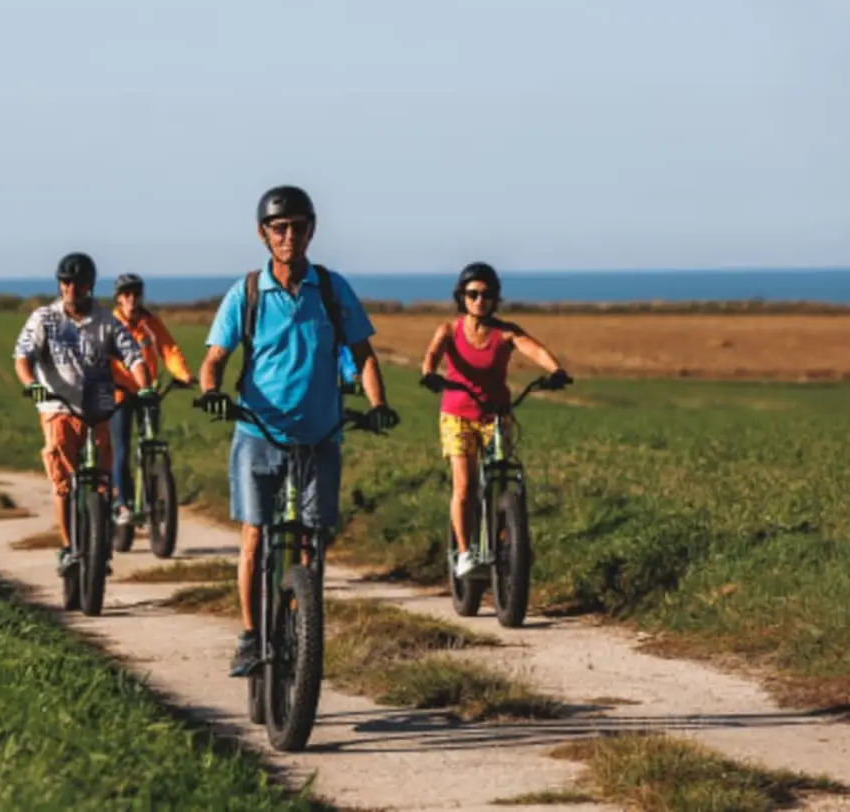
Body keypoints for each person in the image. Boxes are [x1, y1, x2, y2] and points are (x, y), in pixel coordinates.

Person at [197, 185, 401, 676]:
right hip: (258, 434)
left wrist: (377, 404)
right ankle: (250, 636)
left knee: (314, 538)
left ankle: (304, 625)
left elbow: (365, 355)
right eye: (279, 228)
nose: (289, 236)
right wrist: (211, 392)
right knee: (253, 535)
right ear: (263, 234)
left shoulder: (331, 289)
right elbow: (215, 360)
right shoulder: (245, 292)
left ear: (312, 230)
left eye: (298, 226)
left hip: (321, 435)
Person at [419, 262, 571, 578]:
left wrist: (555, 370)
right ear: (461, 297)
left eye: (487, 294)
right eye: (472, 294)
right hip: (457, 416)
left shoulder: (504, 333)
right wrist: (430, 375)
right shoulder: (449, 331)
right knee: (465, 484)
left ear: (495, 298)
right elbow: (432, 355)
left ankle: (507, 528)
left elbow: (534, 349)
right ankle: (463, 553)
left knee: (504, 474)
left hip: (496, 415)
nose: (479, 300)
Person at [13, 252, 157, 574]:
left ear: (89, 286)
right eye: (65, 282)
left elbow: (133, 356)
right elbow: (22, 356)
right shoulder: (44, 319)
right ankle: (68, 547)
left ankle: (99, 541)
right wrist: (31, 383)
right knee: (63, 480)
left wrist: (144, 387)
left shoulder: (107, 321)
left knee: (102, 478)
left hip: (96, 406)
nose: (70, 289)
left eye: (77, 283)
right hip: (56, 406)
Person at [108, 272, 195, 523]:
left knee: (151, 441)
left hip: (148, 392)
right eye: (126, 295)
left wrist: (184, 375)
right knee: (121, 446)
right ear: (118, 299)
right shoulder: (110, 324)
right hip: (120, 393)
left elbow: (168, 350)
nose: (132, 299)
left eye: (136, 294)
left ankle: (153, 491)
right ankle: (122, 503)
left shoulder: (150, 322)